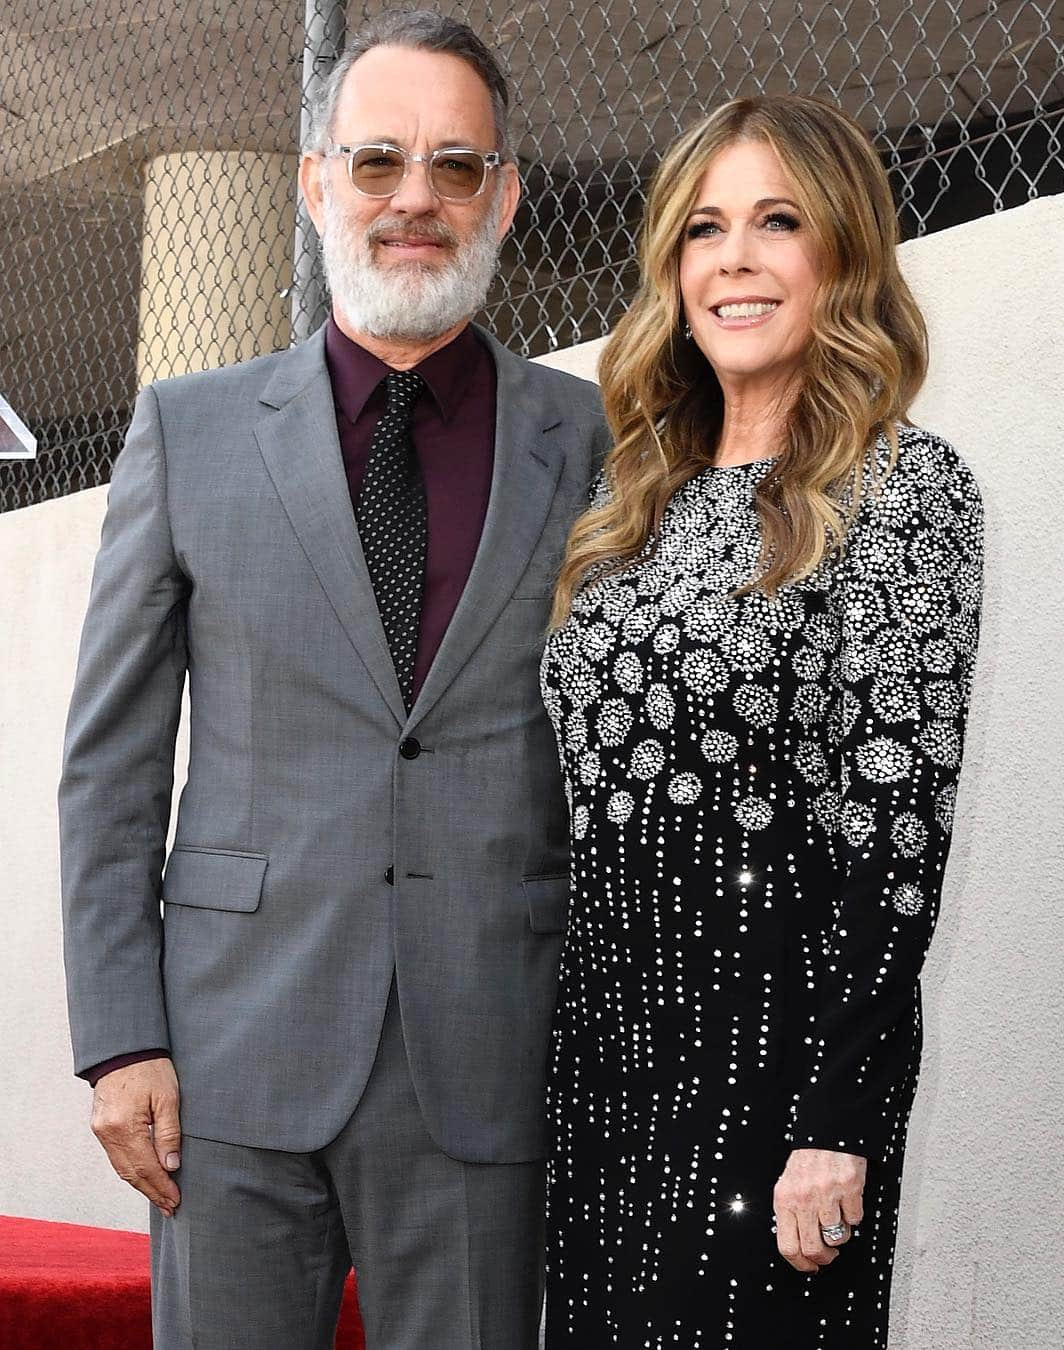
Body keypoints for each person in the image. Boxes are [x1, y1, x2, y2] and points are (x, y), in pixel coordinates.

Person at [59, 11, 607, 1349]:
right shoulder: (187, 432)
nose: (415, 197)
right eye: (377, 162)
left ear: (506, 194)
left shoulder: (588, 439)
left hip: (485, 1055)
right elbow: (113, 766)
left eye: (455, 166)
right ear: (315, 183)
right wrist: (120, 1033)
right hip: (229, 1059)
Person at [540, 95, 983, 1348]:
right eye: (703, 229)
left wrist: (837, 1120)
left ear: (840, 252)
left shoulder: (901, 490)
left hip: (777, 1085)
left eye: (776, 222)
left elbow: (899, 835)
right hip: (604, 1071)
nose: (732, 259)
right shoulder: (628, 513)